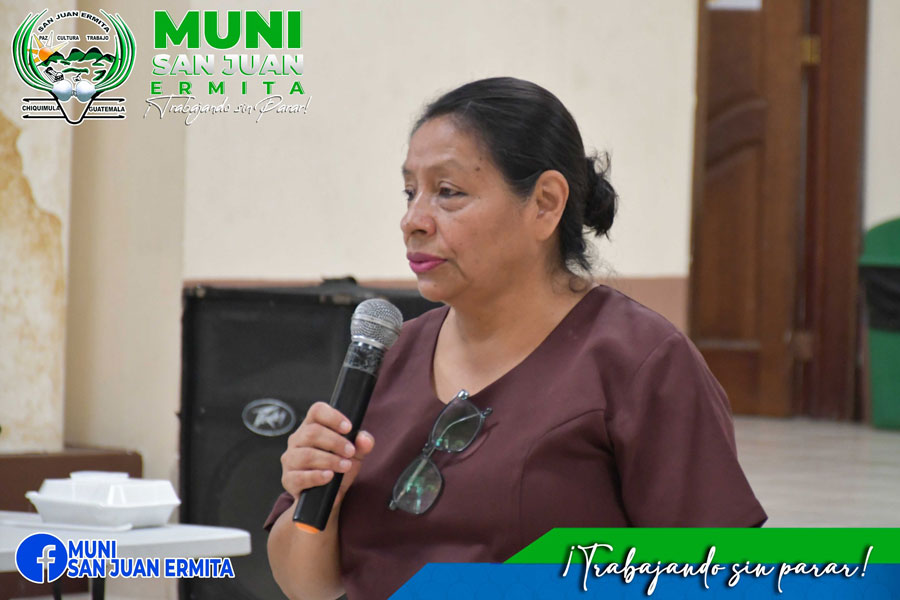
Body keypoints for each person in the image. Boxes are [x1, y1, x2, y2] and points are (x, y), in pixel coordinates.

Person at [265, 77, 767, 600]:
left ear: (545, 203)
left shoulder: (639, 360)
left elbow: (716, 577)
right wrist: (317, 495)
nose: (412, 221)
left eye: (448, 192)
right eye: (410, 192)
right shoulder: (389, 355)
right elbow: (306, 586)